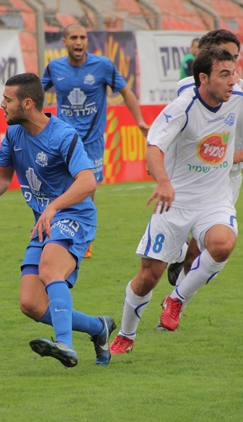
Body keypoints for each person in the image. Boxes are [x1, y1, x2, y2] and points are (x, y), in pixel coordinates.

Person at [109, 47, 242, 354]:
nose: (232, 81)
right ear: (203, 78)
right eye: (224, 74)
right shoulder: (183, 107)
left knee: (223, 244)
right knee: (148, 276)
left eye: (233, 73)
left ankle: (177, 298)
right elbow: (153, 147)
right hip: (175, 202)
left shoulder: (241, 98)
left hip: (214, 200)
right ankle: (126, 335)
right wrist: (163, 182)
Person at [0, 73, 116, 367]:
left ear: (27, 104)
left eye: (7, 99)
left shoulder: (63, 136)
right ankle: (99, 328)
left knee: (50, 269)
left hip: (74, 215)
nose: (2, 104)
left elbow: (87, 183)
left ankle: (64, 344)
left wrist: (54, 206)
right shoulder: (14, 134)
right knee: (31, 304)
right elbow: (2, 174)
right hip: (44, 222)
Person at [166, 29, 243, 292]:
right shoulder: (184, 88)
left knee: (207, 249)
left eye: (235, 57)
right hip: (187, 175)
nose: (232, 63)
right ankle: (178, 254)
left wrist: (237, 155)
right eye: (225, 55)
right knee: (165, 250)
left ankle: (175, 300)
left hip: (224, 181)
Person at [41, 24, 150, 258]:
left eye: (82, 37)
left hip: (91, 142)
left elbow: (125, 92)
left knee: (87, 191)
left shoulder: (103, 66)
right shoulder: (54, 67)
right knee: (61, 187)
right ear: (64, 42)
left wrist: (139, 120)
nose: (78, 42)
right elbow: (36, 94)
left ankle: (84, 239)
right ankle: (59, 233)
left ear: (87, 41)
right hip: (64, 140)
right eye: (73, 37)